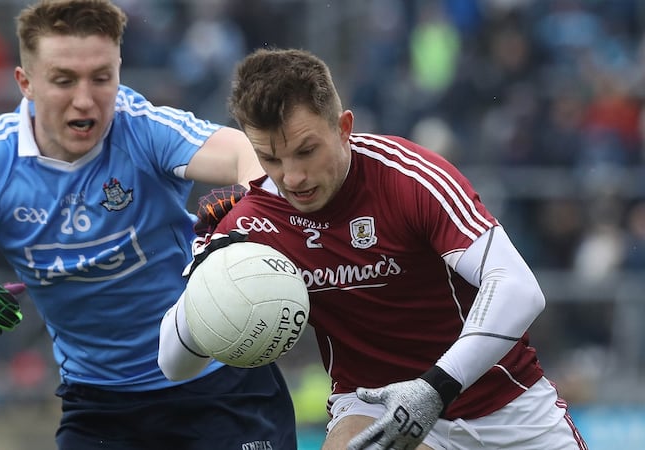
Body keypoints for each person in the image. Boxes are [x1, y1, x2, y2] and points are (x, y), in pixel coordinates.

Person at [0, 2, 298, 449]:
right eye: (64, 80)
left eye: (102, 78)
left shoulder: (142, 127)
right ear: (26, 83)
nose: (86, 99)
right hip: (101, 410)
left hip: (222, 385)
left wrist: (245, 205)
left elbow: (248, 154)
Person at [158, 48, 589, 450]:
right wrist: (209, 276)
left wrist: (433, 388)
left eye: (306, 151)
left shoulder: (408, 177)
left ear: (344, 128)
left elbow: (518, 288)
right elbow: (173, 364)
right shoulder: (252, 225)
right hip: (372, 405)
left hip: (502, 404)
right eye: (270, 158)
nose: (291, 177)